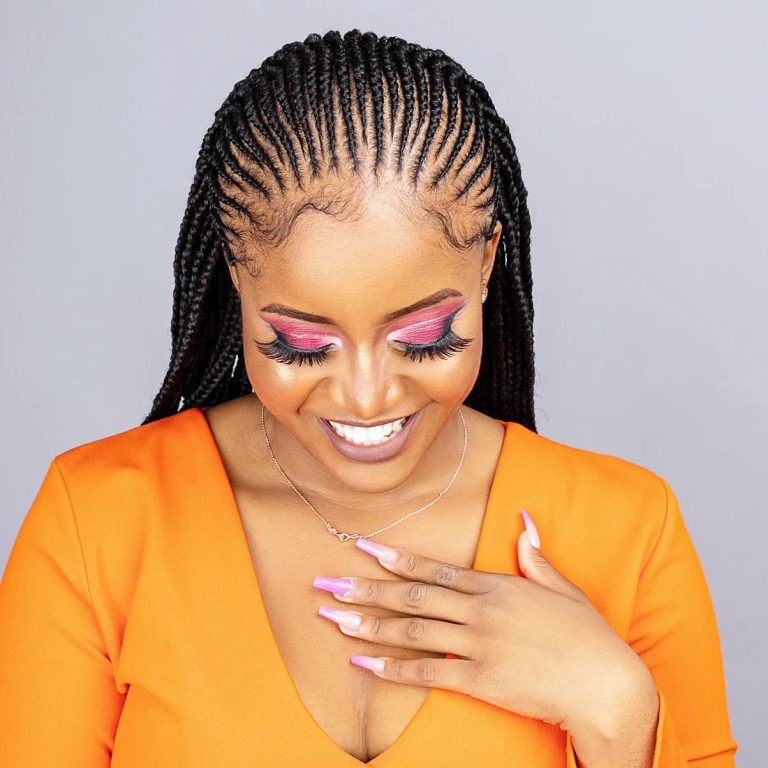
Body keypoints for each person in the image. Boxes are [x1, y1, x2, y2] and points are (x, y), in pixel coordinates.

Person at [0, 29, 738, 767]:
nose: (364, 397)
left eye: (423, 336)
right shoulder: (97, 522)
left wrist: (616, 709)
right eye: (301, 343)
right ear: (236, 274)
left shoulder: (628, 529)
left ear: (486, 263)